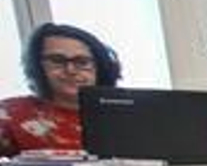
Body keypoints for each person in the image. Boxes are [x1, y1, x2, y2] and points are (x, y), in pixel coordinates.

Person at [0, 23, 122, 158]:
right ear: (36, 66)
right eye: (57, 60)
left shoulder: (126, 112)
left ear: (100, 67)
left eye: (82, 62)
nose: (71, 70)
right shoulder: (11, 113)